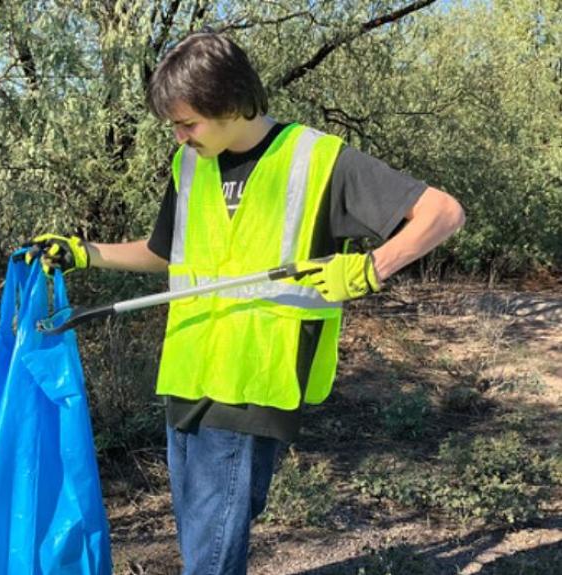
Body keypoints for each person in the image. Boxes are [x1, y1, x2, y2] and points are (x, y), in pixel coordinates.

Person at [27, 31, 465, 575]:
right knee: (202, 530)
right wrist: (85, 253)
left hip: (256, 376)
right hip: (189, 368)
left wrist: (371, 269)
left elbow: (443, 213)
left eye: (188, 123)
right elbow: (166, 252)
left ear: (230, 103)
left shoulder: (318, 160)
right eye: (175, 126)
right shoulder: (189, 165)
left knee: (212, 541)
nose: (181, 136)